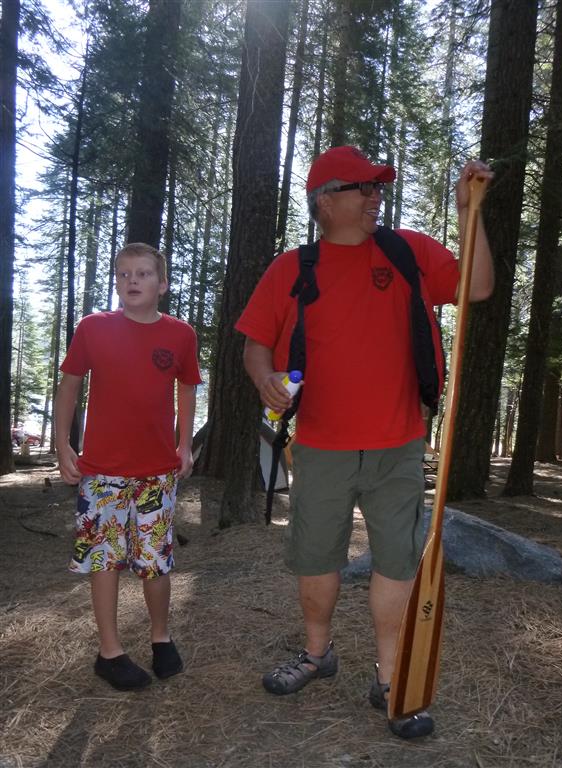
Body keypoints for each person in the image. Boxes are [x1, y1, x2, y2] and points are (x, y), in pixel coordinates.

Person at [235, 146, 494, 738]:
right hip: (320, 445)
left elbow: (476, 287)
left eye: (379, 188)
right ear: (326, 201)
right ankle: (317, 653)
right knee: (316, 557)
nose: (376, 197)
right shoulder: (292, 268)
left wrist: (468, 214)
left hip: (398, 444)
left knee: (397, 561)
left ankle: (390, 676)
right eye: (364, 188)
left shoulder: (408, 253)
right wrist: (264, 378)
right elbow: (255, 343)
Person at [55, 242, 202, 692]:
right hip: (102, 470)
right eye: (123, 274)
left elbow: (187, 388)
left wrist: (184, 445)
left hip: (157, 470)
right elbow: (70, 386)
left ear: (162, 284)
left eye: (142, 273)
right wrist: (62, 445)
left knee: (155, 559)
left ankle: (161, 637)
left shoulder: (180, 334)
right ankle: (110, 651)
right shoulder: (93, 328)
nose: (131, 281)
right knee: (105, 558)